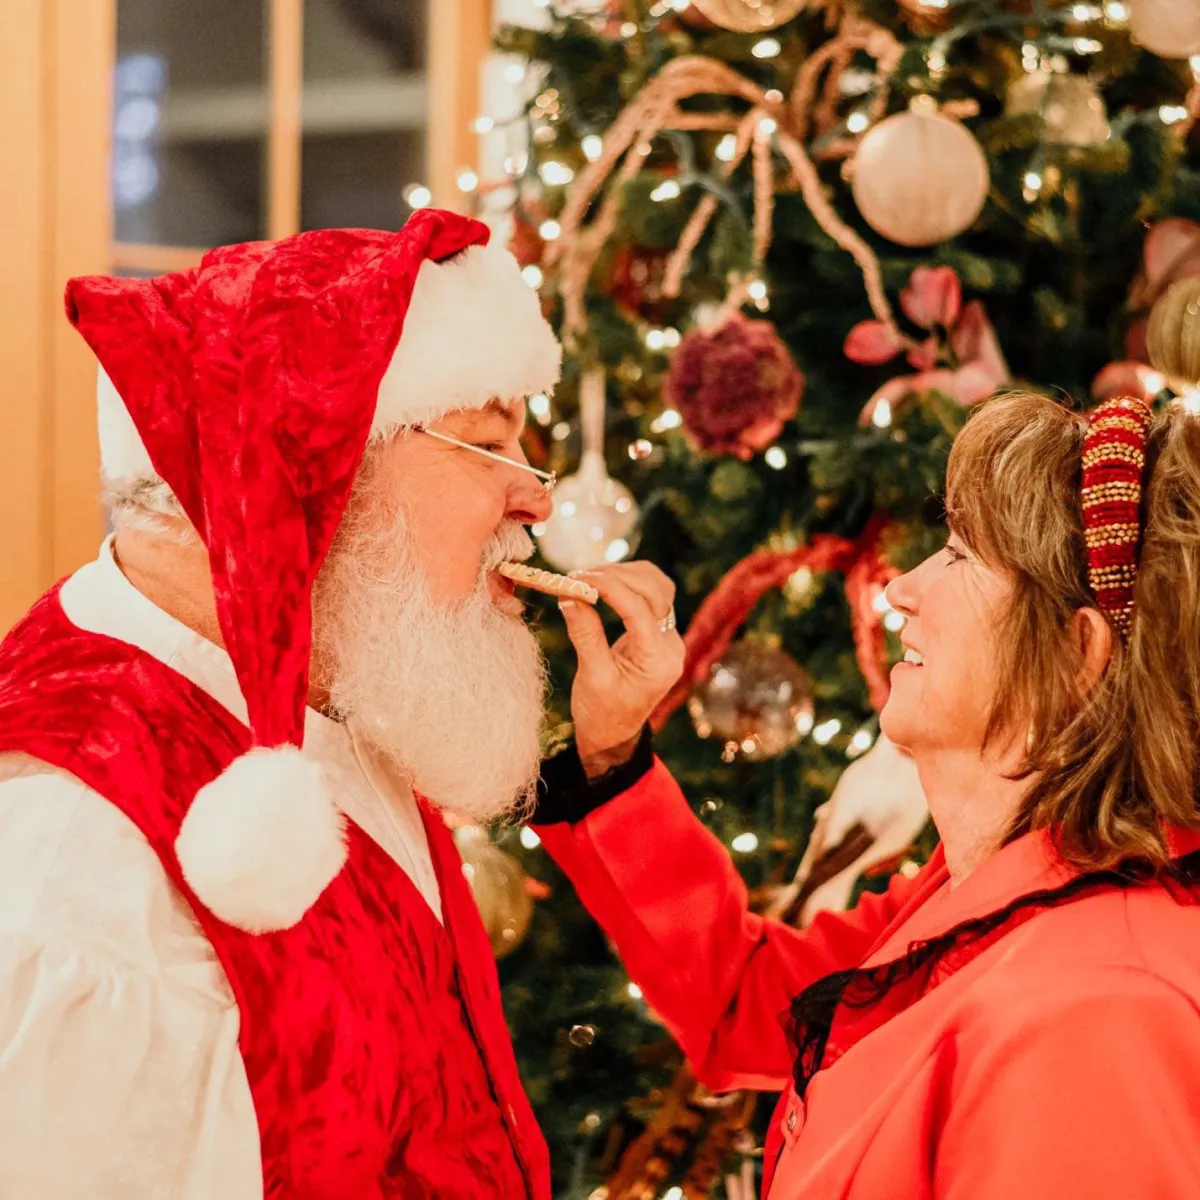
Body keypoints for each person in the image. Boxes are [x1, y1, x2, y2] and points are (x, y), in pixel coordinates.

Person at [0, 209, 679, 1199]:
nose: (536, 501)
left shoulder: (326, 698)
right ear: (301, 472)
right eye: (492, 449)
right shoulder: (75, 863)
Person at [537, 390, 1200, 1199]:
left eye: (960, 555)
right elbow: (747, 1001)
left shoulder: (1099, 1016)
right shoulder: (994, 891)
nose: (901, 589)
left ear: (1076, 655)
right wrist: (611, 756)